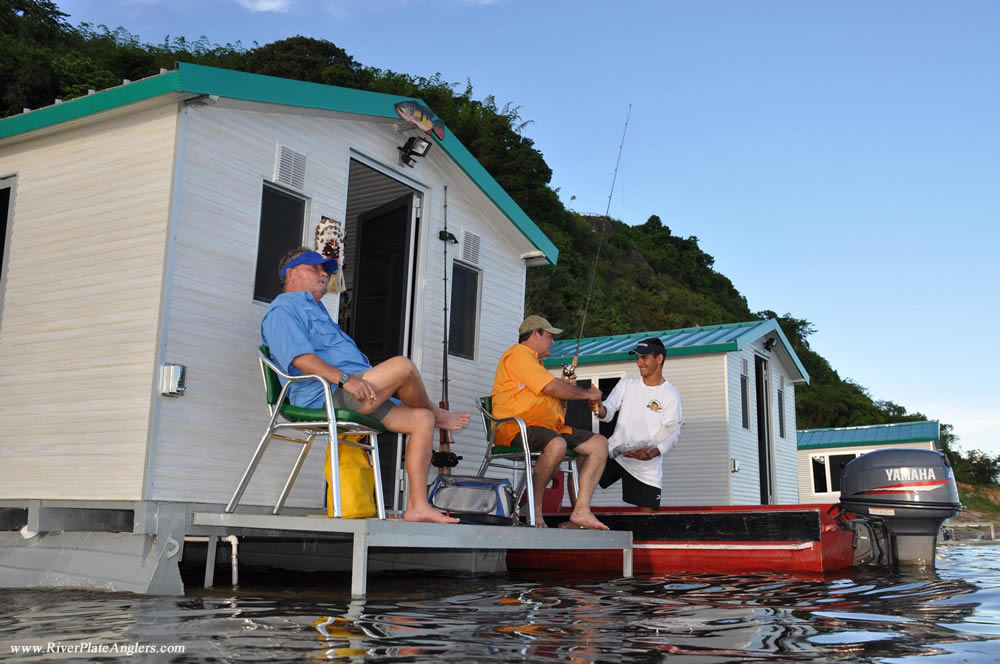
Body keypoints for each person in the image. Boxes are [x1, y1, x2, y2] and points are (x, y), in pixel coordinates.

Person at [261, 247, 471, 524]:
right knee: (403, 367)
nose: (323, 273)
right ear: (291, 274)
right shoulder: (283, 309)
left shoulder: (319, 312)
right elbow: (300, 358)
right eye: (315, 268)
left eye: (326, 269)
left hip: (357, 392)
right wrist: (345, 380)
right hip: (324, 396)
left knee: (422, 419)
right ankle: (438, 412)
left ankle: (417, 505)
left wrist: (353, 380)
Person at [491, 315, 610, 530]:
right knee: (557, 444)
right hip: (516, 428)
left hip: (547, 428)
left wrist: (566, 389)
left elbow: (552, 394)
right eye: (549, 336)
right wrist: (588, 394)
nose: (553, 342)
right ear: (534, 333)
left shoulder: (535, 364)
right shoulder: (517, 356)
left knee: (598, 444)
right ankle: (534, 509)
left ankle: (581, 512)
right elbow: (551, 388)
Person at [596, 337, 683, 511]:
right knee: (581, 471)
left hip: (646, 463)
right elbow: (608, 410)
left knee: (646, 516)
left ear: (659, 359)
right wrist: (597, 407)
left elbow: (673, 432)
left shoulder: (671, 394)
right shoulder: (626, 383)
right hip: (615, 452)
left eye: (644, 358)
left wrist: (654, 452)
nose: (639, 363)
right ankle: (578, 518)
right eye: (637, 358)